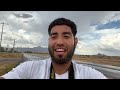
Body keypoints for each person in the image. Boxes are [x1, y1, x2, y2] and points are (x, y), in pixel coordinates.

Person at [0, 17, 107, 79]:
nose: (59, 42)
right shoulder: (28, 68)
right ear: (49, 41)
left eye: (66, 36)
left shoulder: (89, 74)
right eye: (54, 36)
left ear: (75, 41)